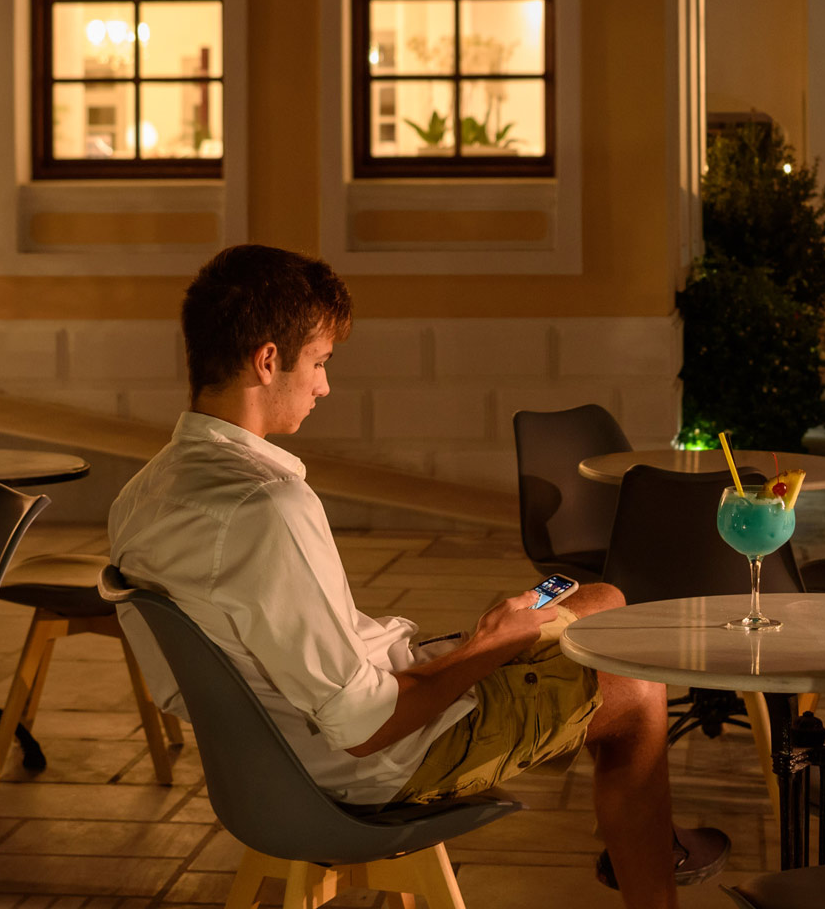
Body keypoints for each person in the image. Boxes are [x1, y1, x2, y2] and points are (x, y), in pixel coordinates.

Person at [109, 244, 727, 908]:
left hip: (263, 761)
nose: (324, 386)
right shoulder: (267, 505)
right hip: (372, 766)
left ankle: (642, 829)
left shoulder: (143, 494)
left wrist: (478, 646)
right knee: (635, 684)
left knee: (603, 599)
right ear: (267, 361)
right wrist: (487, 648)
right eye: (319, 362)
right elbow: (364, 725)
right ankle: (646, 856)